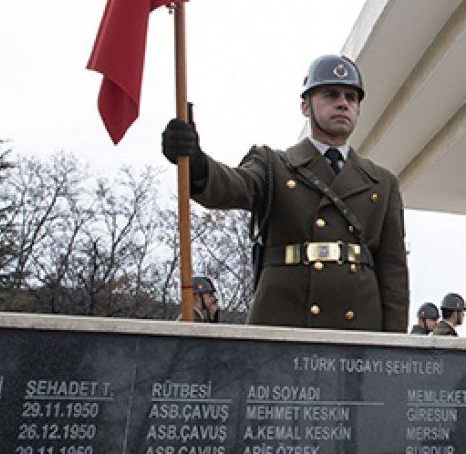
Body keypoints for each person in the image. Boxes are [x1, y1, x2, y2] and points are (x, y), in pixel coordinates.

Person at [161, 54, 409, 332]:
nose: (343, 103)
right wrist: (195, 162)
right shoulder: (273, 166)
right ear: (305, 107)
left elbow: (393, 276)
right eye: (330, 94)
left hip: (358, 331)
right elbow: (233, 186)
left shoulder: (382, 183)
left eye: (351, 97)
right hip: (284, 323)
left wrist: (394, 350)